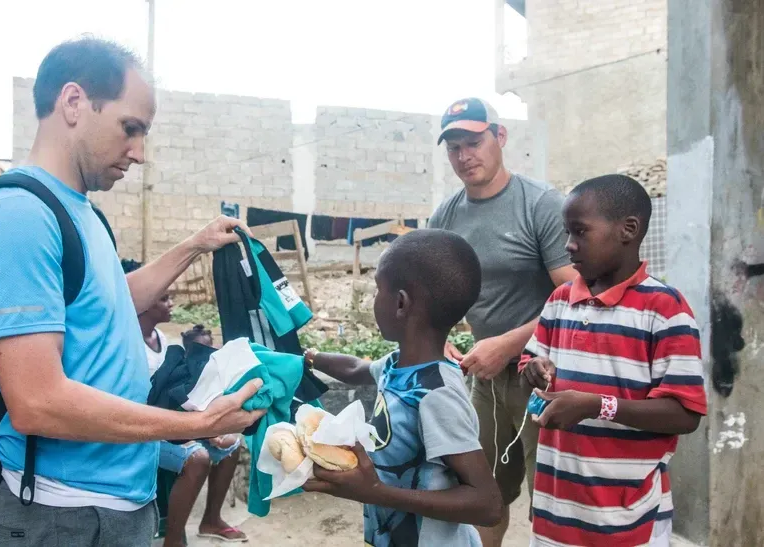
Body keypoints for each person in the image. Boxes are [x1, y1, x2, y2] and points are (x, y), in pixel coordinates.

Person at [0, 38, 264, 547]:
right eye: (130, 128)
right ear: (73, 103)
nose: (139, 153)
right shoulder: (17, 217)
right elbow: (37, 401)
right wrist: (196, 422)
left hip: (115, 505)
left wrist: (194, 245)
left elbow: (110, 303)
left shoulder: (81, 212)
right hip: (63, 513)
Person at [520, 175, 707, 546]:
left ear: (629, 230)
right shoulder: (559, 300)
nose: (568, 245)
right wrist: (534, 370)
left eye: (580, 232)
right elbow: (530, 358)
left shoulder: (665, 310)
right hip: (557, 512)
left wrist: (597, 406)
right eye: (566, 232)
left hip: (629, 518)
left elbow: (685, 414)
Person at [428, 97, 577, 546]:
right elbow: (435, 293)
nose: (464, 156)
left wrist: (508, 345)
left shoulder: (542, 205)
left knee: (551, 502)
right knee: (484, 496)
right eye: (453, 147)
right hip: (484, 380)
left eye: (473, 142)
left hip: (544, 378)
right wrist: (437, 338)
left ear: (500, 137)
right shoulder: (447, 216)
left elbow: (574, 298)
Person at [302, 229, 503, 546]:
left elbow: (488, 504)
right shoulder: (399, 364)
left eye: (376, 290)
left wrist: (376, 493)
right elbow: (356, 369)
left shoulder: (436, 393)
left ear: (400, 303)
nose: (372, 300)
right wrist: (307, 358)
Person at [121, 261, 247, 545]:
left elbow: (174, 394)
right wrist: (199, 432)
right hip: (141, 429)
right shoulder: (129, 344)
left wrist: (206, 428)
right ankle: (174, 539)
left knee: (232, 443)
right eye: (164, 298)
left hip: (169, 424)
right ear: (143, 303)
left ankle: (211, 520)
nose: (171, 303)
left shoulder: (161, 339)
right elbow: (141, 406)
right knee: (197, 458)